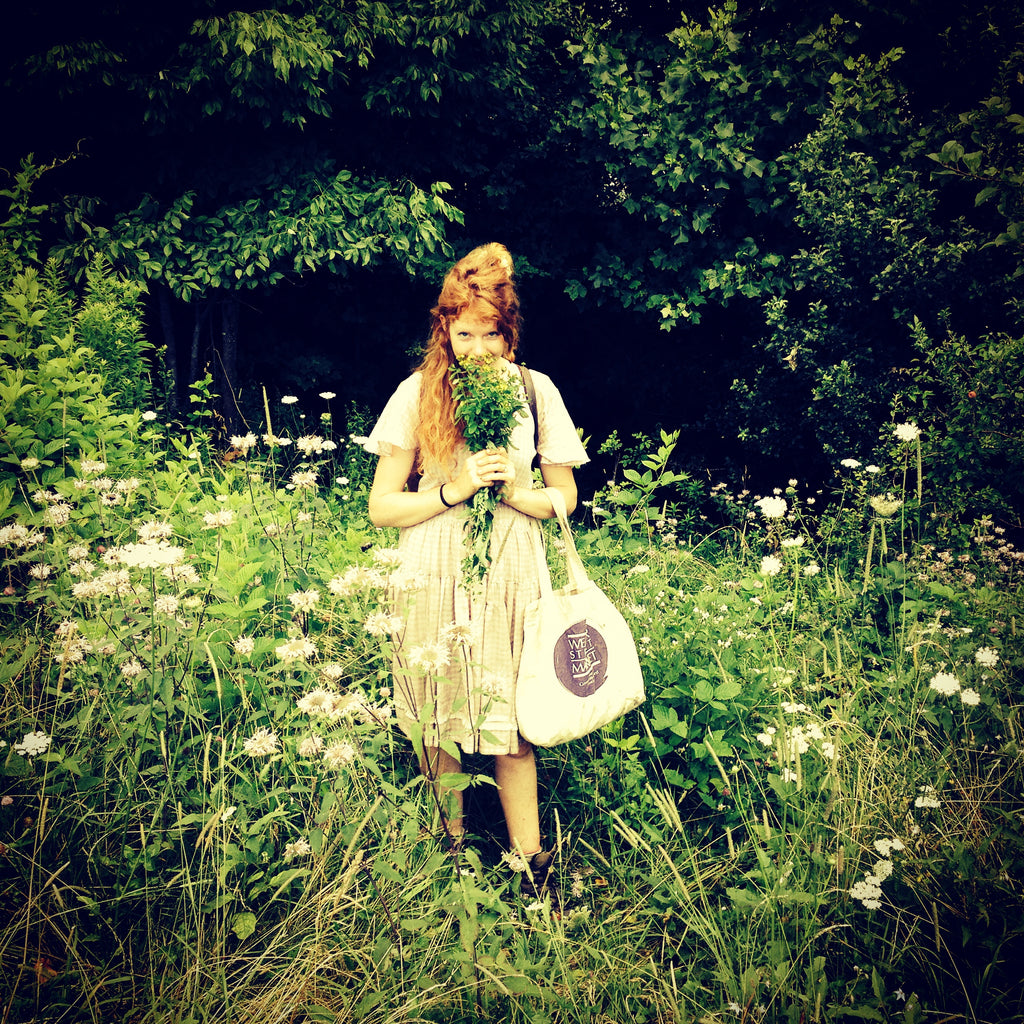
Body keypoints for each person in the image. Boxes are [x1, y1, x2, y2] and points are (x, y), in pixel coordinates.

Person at [362, 242, 588, 890]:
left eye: (491, 334)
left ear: (509, 332)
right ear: (445, 329)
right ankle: (450, 858)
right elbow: (382, 506)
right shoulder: (417, 393)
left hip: (513, 565)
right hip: (432, 565)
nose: (478, 348)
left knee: (513, 726)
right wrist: (452, 489)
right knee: (435, 722)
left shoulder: (536, 393)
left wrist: (518, 492)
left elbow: (565, 496)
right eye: (464, 334)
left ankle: (531, 869)